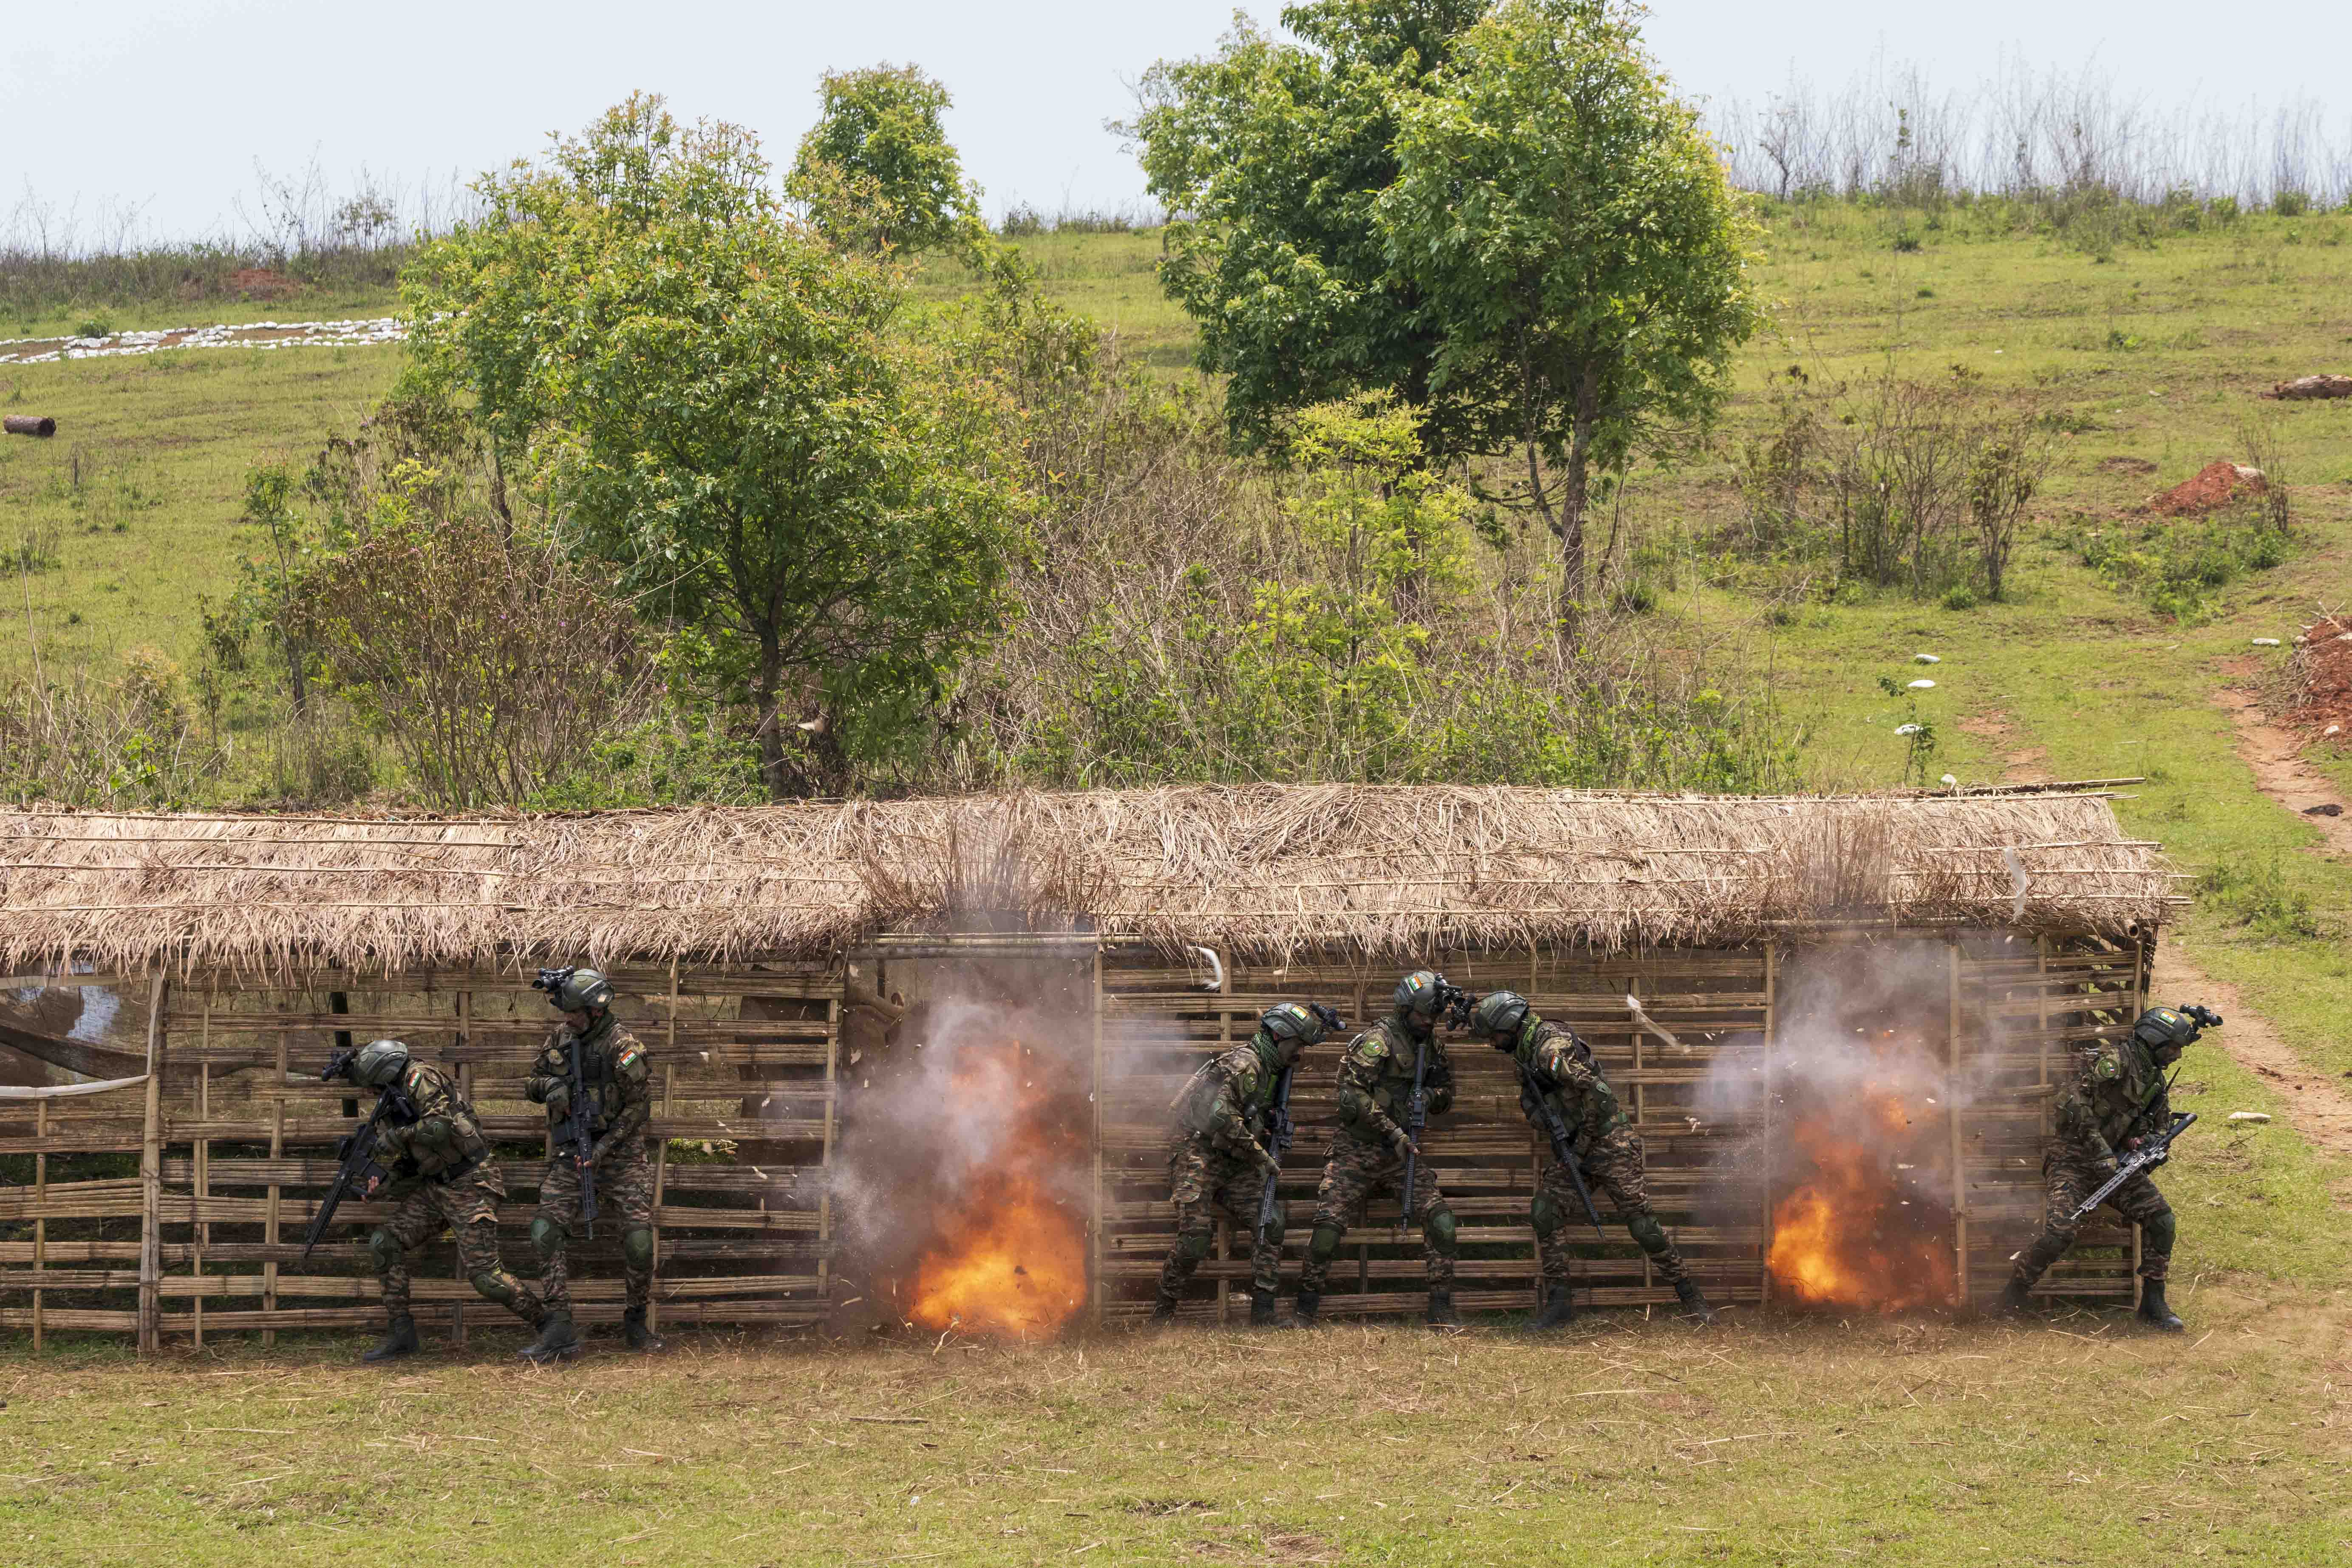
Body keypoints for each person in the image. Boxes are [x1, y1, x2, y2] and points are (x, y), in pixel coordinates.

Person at [1465, 991, 1715, 1328]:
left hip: (1610, 1142)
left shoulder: (1550, 1047)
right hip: (1575, 1149)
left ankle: (1691, 1298)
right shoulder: (1525, 1054)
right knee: (1545, 1211)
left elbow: (1598, 1093)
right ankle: (1560, 1303)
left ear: (1509, 1025)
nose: (1493, 1044)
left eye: (1494, 1035)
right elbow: (1533, 1106)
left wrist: (1581, 1144)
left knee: (1641, 1224)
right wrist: (1547, 1120)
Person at [327, 1038, 551, 1362]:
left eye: (372, 1085)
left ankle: (552, 1327)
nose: (370, 1092)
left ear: (384, 1072)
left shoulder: (421, 1078)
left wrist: (392, 1138)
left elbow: (440, 1127)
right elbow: (413, 1159)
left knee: (486, 1276)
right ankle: (403, 1335)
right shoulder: (396, 1098)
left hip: (471, 1183)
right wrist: (386, 1184)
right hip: (437, 1188)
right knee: (384, 1243)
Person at [2000, 1003, 2219, 1331]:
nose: (2176, 1055)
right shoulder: (2111, 1064)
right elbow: (2072, 1110)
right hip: (2072, 1161)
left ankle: (2152, 1303)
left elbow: (2161, 1124)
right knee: (2060, 1231)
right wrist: (2102, 1154)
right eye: (2173, 1048)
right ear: (2153, 1040)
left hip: (2118, 1167)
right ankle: (2012, 1297)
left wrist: (2150, 1146)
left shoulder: (2154, 1080)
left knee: (2162, 1220)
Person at [1151, 1001, 1340, 1327]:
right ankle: (1163, 1312)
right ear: (1280, 1037)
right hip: (1197, 1154)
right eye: (1298, 1046)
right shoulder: (1245, 1065)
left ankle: (1263, 1313)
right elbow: (1220, 1117)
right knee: (1196, 1238)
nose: (1300, 1054)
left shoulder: (1270, 1070)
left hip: (1234, 1160)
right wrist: (1261, 1155)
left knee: (1271, 1222)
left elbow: (1246, 1116)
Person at [1293, 971, 1461, 1327]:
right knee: (1327, 1229)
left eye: (1434, 1016)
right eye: (1421, 1015)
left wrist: (1430, 1097)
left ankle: (1440, 1307)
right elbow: (1350, 1094)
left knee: (1441, 1222)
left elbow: (1447, 1093)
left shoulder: (1431, 1044)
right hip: (1358, 1150)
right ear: (1403, 1009)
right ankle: (1305, 1309)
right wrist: (1393, 1131)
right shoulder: (1377, 1041)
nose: (1428, 1022)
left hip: (1403, 1157)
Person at [520, 966, 661, 1362]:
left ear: (596, 1011)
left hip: (621, 1157)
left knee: (638, 1242)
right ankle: (561, 1328)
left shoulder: (623, 1046)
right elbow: (531, 1082)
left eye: (574, 1012)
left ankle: (635, 1321)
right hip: (570, 1155)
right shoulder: (561, 1038)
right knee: (544, 1231)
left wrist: (603, 1149)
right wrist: (551, 1087)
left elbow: (640, 1108)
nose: (567, 1019)